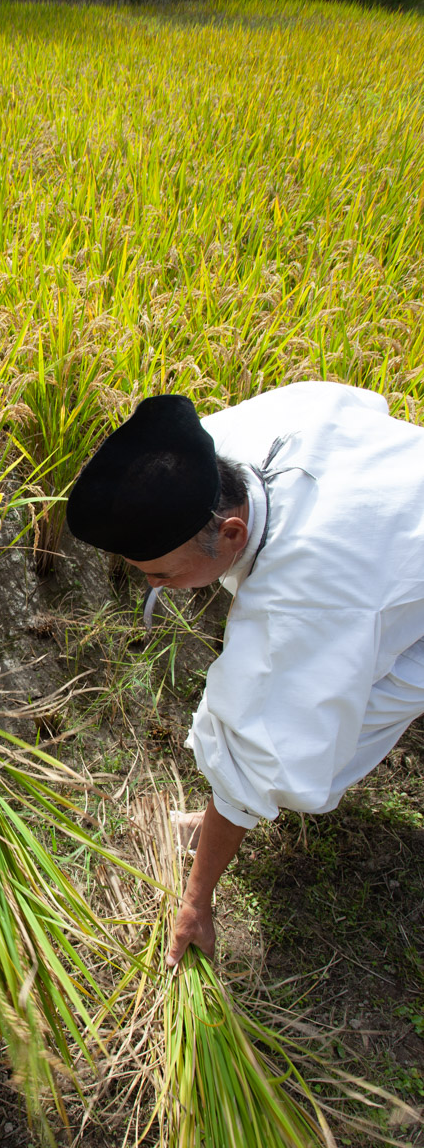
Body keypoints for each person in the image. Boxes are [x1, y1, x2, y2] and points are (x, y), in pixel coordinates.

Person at [65, 383, 424, 966]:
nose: (154, 587)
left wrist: (196, 900)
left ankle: (220, 821)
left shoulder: (307, 600)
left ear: (230, 535)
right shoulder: (226, 445)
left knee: (333, 722)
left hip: (393, 571)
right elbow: (359, 404)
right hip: (395, 510)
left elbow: (259, 749)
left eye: (162, 573)